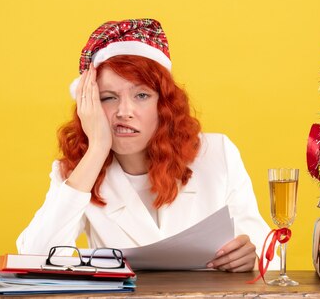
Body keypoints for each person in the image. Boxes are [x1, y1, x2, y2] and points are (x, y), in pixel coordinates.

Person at [17, 19, 276, 272]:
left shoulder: (218, 154)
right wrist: (97, 148)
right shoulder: (77, 172)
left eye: (141, 95)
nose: (124, 112)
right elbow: (34, 258)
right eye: (108, 98)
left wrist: (251, 259)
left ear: (164, 105)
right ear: (90, 106)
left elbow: (271, 258)